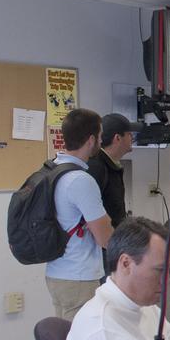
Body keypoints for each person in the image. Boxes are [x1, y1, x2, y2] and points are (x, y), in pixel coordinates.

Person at [45, 108, 113, 321]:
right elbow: (105, 238)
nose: (102, 142)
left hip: (57, 271)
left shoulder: (53, 170)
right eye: (101, 136)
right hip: (79, 276)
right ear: (91, 140)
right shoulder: (81, 180)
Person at [87, 113, 139, 227]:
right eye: (129, 134)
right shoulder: (96, 167)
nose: (132, 137)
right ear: (118, 138)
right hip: (104, 241)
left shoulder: (111, 165)